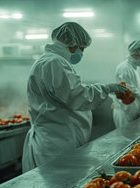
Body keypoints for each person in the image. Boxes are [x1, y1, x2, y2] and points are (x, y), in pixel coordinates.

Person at [22, 22, 128, 173]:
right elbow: (77, 96)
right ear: (72, 44)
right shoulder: (54, 63)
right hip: (56, 142)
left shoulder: (51, 61)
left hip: (56, 138)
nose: (81, 53)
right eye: (82, 48)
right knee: (60, 187)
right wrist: (107, 88)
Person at [111, 40, 140, 128]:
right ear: (136, 54)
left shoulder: (132, 68)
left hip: (131, 110)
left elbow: (133, 87)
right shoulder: (125, 68)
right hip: (124, 112)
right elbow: (128, 89)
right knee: (125, 139)